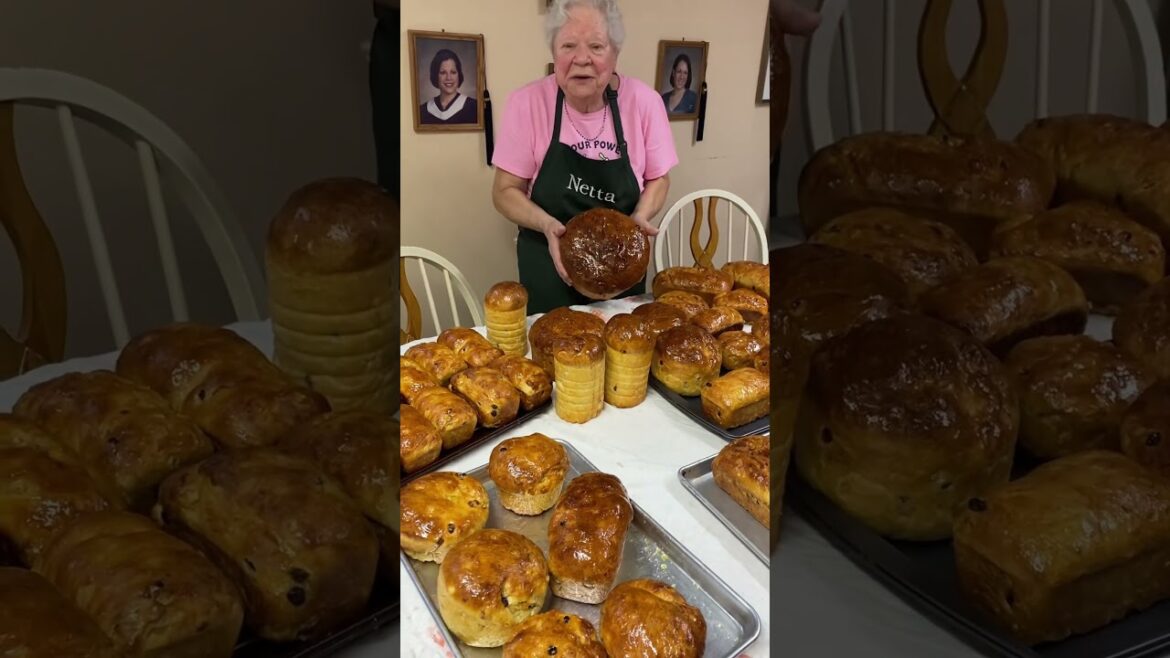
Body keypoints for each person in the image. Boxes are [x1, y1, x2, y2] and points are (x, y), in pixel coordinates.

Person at [491, 0, 678, 314]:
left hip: (621, 269)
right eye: (568, 45)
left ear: (615, 53)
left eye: (596, 46)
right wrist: (547, 224)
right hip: (548, 268)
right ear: (553, 52)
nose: (581, 59)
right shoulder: (527, 104)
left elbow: (659, 178)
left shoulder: (645, 103)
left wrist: (639, 219)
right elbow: (504, 191)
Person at [419, 48, 479, 125]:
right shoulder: (423, 111)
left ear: (459, 75)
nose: (449, 78)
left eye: (453, 72)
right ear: (436, 75)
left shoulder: (474, 107)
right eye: (443, 72)